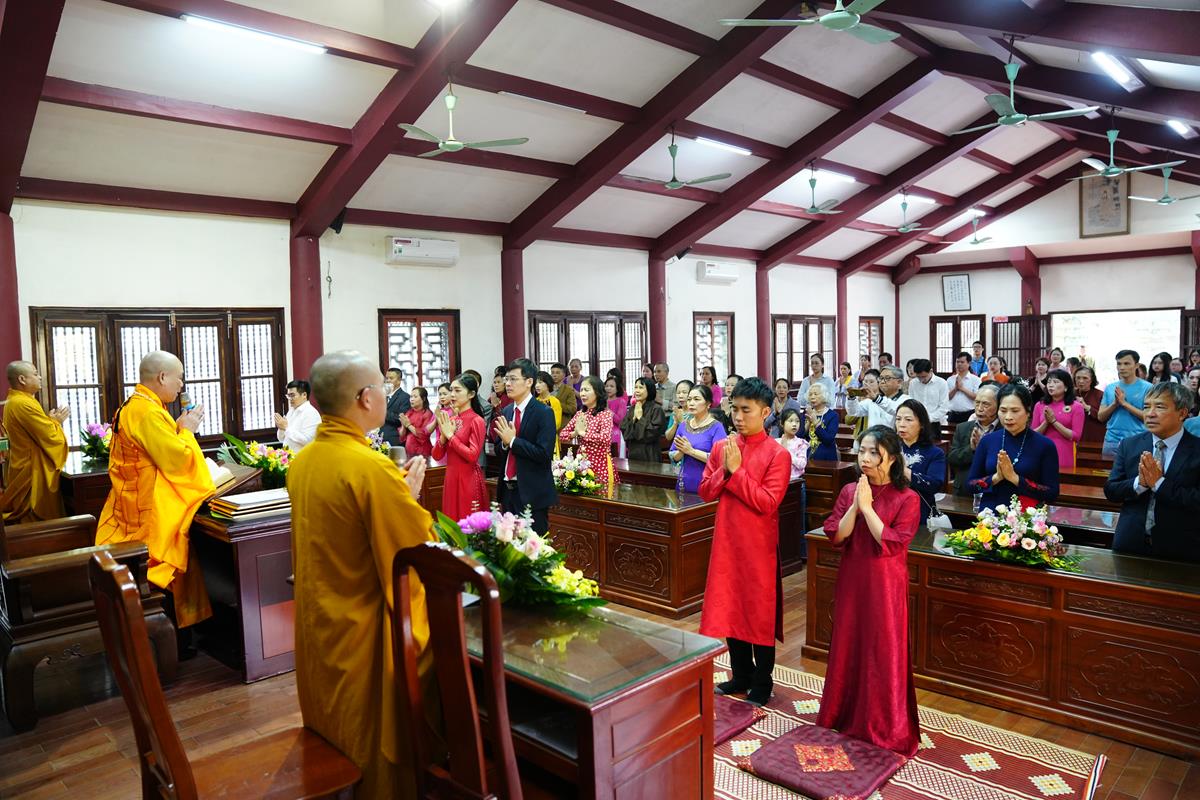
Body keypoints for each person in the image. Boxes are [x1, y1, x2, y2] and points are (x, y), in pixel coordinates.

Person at [288, 350, 434, 800]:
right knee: (372, 737)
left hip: (320, 623)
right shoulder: (370, 468)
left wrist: (395, 495)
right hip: (363, 629)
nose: (387, 397)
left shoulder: (304, 461)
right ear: (366, 398)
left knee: (332, 724)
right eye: (383, 389)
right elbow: (411, 553)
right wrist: (407, 499)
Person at [820, 425, 921, 757]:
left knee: (881, 647)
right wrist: (855, 506)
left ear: (891, 458)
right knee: (849, 640)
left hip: (885, 583)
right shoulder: (850, 490)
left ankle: (883, 724)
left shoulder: (907, 498)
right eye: (861, 450)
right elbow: (837, 535)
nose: (864, 457)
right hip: (853, 576)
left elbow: (892, 542)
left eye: (873, 452)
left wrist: (868, 509)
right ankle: (841, 713)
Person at [94, 351, 214, 629]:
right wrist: (187, 431)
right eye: (179, 378)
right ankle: (175, 638)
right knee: (170, 566)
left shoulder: (135, 405)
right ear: (162, 377)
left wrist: (179, 429)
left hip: (132, 504)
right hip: (150, 511)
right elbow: (177, 461)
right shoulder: (148, 412)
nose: (181, 385)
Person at [700, 378, 791, 706]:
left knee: (757, 613)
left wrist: (736, 472)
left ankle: (762, 682)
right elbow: (705, 491)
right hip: (727, 542)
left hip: (758, 547)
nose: (738, 417)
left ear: (765, 412)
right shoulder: (722, 447)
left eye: (746, 410)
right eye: (734, 409)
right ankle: (740, 674)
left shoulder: (777, 454)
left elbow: (767, 502)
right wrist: (726, 471)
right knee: (731, 608)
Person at [1104, 382, 1200, 562]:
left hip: (1181, 547)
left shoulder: (1196, 449)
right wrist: (1138, 484)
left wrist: (1159, 483)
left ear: (1182, 413)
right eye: (1146, 407)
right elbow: (1111, 490)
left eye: (1160, 407)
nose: (1150, 413)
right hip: (1130, 542)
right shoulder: (1130, 444)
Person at [967, 383, 1060, 512]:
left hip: (1027, 516)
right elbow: (970, 485)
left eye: (1015, 411)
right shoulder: (987, 441)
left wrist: (1015, 479)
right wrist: (996, 478)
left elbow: (1052, 493)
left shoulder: (1044, 445)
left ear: (1028, 412)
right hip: (989, 515)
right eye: (1003, 410)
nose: (1008, 417)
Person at [1, 361, 69, 523]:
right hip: (32, 473)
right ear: (22, 379)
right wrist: (56, 422)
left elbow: (37, 431)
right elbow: (50, 437)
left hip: (23, 466)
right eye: (36, 374)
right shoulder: (23, 404)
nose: (40, 377)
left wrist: (50, 421)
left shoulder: (16, 400)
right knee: (36, 522)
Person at [495, 358, 558, 534]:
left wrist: (513, 441)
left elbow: (544, 454)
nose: (508, 384)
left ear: (529, 382)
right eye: (507, 379)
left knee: (533, 545)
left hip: (532, 493)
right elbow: (499, 449)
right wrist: (505, 444)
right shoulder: (507, 411)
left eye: (513, 379)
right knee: (508, 543)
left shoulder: (544, 412)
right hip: (507, 491)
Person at [431, 373, 487, 519]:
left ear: (471, 394)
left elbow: (472, 455)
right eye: (451, 390)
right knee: (451, 521)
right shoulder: (451, 419)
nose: (452, 394)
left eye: (457, 390)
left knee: (467, 524)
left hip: (467, 479)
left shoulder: (477, 420)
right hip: (451, 477)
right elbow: (436, 455)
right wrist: (443, 437)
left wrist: (451, 436)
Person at [559, 375, 617, 494]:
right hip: (582, 465)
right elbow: (562, 435)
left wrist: (583, 433)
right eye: (581, 390)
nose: (582, 394)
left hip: (601, 464)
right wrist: (575, 433)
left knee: (602, 497)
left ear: (597, 392)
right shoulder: (580, 414)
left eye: (587, 390)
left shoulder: (605, 414)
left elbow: (605, 438)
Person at [669, 384, 728, 494]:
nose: (691, 403)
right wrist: (681, 452)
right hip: (685, 481)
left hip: (707, 482)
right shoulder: (683, 425)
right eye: (689, 399)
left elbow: (720, 459)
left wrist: (691, 451)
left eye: (696, 399)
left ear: (708, 404)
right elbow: (672, 455)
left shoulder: (717, 427)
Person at [895, 400, 946, 522]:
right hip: (892, 509)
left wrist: (904, 471)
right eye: (898, 419)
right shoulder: (891, 449)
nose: (901, 424)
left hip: (920, 511)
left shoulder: (935, 453)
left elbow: (935, 484)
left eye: (908, 420)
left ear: (922, 424)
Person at [1099, 349, 1153, 458]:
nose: (1122, 367)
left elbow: (1149, 417)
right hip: (1112, 440)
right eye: (1119, 364)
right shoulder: (1110, 388)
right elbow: (1101, 417)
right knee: (1108, 469)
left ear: (1136, 365)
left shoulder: (1148, 388)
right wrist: (1115, 404)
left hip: (1138, 439)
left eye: (1126, 363)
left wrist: (1124, 404)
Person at [947, 385, 999, 497]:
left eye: (985, 404)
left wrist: (983, 450)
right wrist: (971, 449)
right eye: (977, 403)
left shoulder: (1004, 430)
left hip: (994, 491)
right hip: (964, 492)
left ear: (998, 405)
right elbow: (952, 458)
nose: (979, 408)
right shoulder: (963, 428)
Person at [1033, 369, 1084, 470]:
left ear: (1066, 387)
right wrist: (1046, 422)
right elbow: (1033, 434)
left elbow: (1076, 436)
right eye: (1049, 382)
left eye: (1055, 382)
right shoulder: (1039, 405)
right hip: (1042, 451)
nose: (1051, 385)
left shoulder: (1076, 407)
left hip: (1064, 451)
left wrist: (1054, 422)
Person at [620, 377, 667, 462]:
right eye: (636, 387)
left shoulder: (656, 409)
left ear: (649, 390)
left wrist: (640, 418)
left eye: (641, 388)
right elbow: (624, 430)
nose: (637, 391)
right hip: (633, 453)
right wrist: (633, 419)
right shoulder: (632, 409)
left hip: (650, 454)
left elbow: (653, 434)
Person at [275, 379, 321, 452]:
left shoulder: (311, 413)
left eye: (292, 395)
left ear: (304, 395)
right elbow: (281, 439)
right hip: (288, 455)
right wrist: (281, 428)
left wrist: (286, 427)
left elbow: (308, 441)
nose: (290, 399)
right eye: (288, 396)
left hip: (303, 457)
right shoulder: (291, 411)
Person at [907, 358, 949, 439]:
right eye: (918, 377)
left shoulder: (941, 383)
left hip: (934, 424)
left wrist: (927, 419)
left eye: (924, 376)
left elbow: (944, 408)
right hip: (916, 423)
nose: (921, 380)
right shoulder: (913, 383)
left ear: (931, 371)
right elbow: (911, 403)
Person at [801, 383, 839, 461]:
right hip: (806, 457)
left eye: (816, 394)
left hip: (826, 458)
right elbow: (799, 436)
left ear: (824, 396)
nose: (812, 397)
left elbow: (828, 439)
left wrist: (815, 422)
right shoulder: (806, 413)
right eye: (810, 394)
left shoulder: (833, 415)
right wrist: (807, 424)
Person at [398, 386, 434, 459]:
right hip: (409, 450)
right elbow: (402, 435)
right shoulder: (409, 412)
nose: (412, 399)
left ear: (423, 399)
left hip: (422, 451)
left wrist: (408, 425)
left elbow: (423, 435)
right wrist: (404, 426)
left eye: (415, 397)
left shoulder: (427, 414)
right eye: (411, 397)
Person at [946, 351, 981, 425]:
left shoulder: (976, 379)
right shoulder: (950, 379)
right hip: (952, 414)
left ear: (969, 363)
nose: (959, 364)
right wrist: (956, 388)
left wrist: (962, 388)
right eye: (957, 362)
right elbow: (947, 397)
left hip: (969, 414)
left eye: (962, 362)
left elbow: (977, 397)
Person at [380, 367, 411, 446]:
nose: (388, 381)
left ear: (399, 380)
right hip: (379, 438)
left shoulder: (405, 397)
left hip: (395, 439)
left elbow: (400, 419)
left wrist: (382, 412)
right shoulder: (382, 396)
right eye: (387, 378)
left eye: (391, 378)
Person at [1074, 366, 1105, 447]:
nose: (1081, 381)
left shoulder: (1100, 395)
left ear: (1092, 380)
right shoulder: (1071, 394)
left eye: (1085, 378)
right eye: (1078, 378)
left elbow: (1105, 417)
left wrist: (1087, 407)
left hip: (1094, 435)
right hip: (1074, 436)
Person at [776, 407, 809, 482]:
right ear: (782, 423)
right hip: (778, 480)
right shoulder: (775, 442)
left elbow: (802, 464)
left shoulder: (801, 443)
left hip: (795, 482)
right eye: (790, 421)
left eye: (797, 421)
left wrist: (786, 451)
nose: (794, 424)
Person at [535, 371, 563, 459]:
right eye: (536, 383)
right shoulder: (535, 401)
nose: (537, 385)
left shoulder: (554, 401)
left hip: (550, 439)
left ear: (548, 384)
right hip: (535, 439)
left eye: (540, 382)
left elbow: (557, 423)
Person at [604, 372, 628, 458]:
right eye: (606, 386)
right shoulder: (601, 401)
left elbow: (620, 421)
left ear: (617, 389)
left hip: (616, 434)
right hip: (602, 434)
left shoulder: (621, 402)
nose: (608, 388)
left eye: (611, 386)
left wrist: (608, 411)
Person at [549, 363, 577, 427]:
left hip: (562, 425)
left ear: (564, 375)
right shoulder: (546, 388)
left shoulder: (568, 390)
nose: (554, 375)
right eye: (552, 373)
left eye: (557, 373)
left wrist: (556, 404)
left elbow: (573, 409)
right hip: (548, 423)